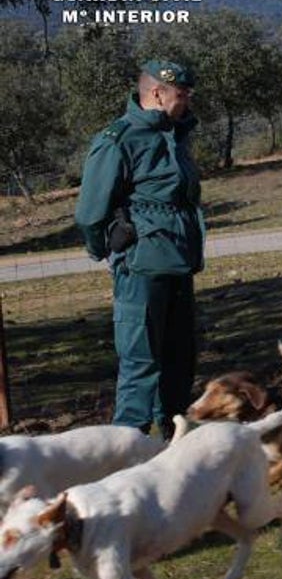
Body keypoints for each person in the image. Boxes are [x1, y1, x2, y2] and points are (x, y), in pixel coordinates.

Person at [75, 60, 205, 438]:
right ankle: (124, 457)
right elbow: (89, 211)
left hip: (179, 263)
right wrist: (109, 252)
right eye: (182, 94)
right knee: (141, 363)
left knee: (180, 361)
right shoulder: (119, 138)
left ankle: (175, 447)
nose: (188, 100)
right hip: (141, 267)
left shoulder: (176, 134)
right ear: (157, 93)